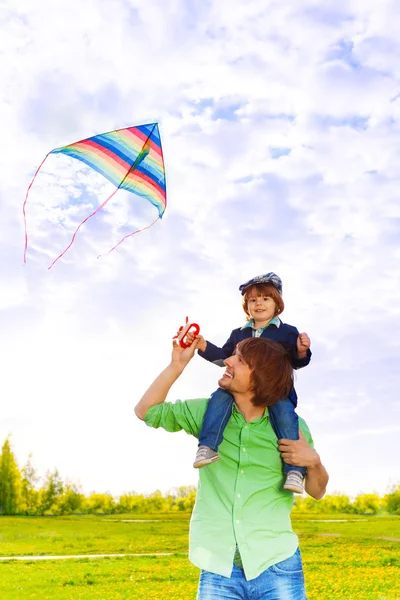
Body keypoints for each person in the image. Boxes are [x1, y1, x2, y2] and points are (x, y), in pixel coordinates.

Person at [135, 336, 328, 600]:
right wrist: (176, 366)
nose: (227, 360)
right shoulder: (207, 413)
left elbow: (317, 491)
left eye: (239, 359)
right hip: (219, 567)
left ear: (261, 376)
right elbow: (146, 411)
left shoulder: (293, 427)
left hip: (277, 565)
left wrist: (313, 461)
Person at [189, 272, 311, 495]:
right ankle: (208, 446)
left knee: (285, 416)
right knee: (218, 398)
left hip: (274, 388)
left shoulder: (286, 332)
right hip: (240, 388)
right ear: (246, 306)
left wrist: (302, 350)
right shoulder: (239, 334)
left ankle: (294, 470)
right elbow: (224, 357)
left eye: (265, 298)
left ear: (277, 304)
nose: (259, 303)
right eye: (253, 300)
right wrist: (203, 345)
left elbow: (295, 361)